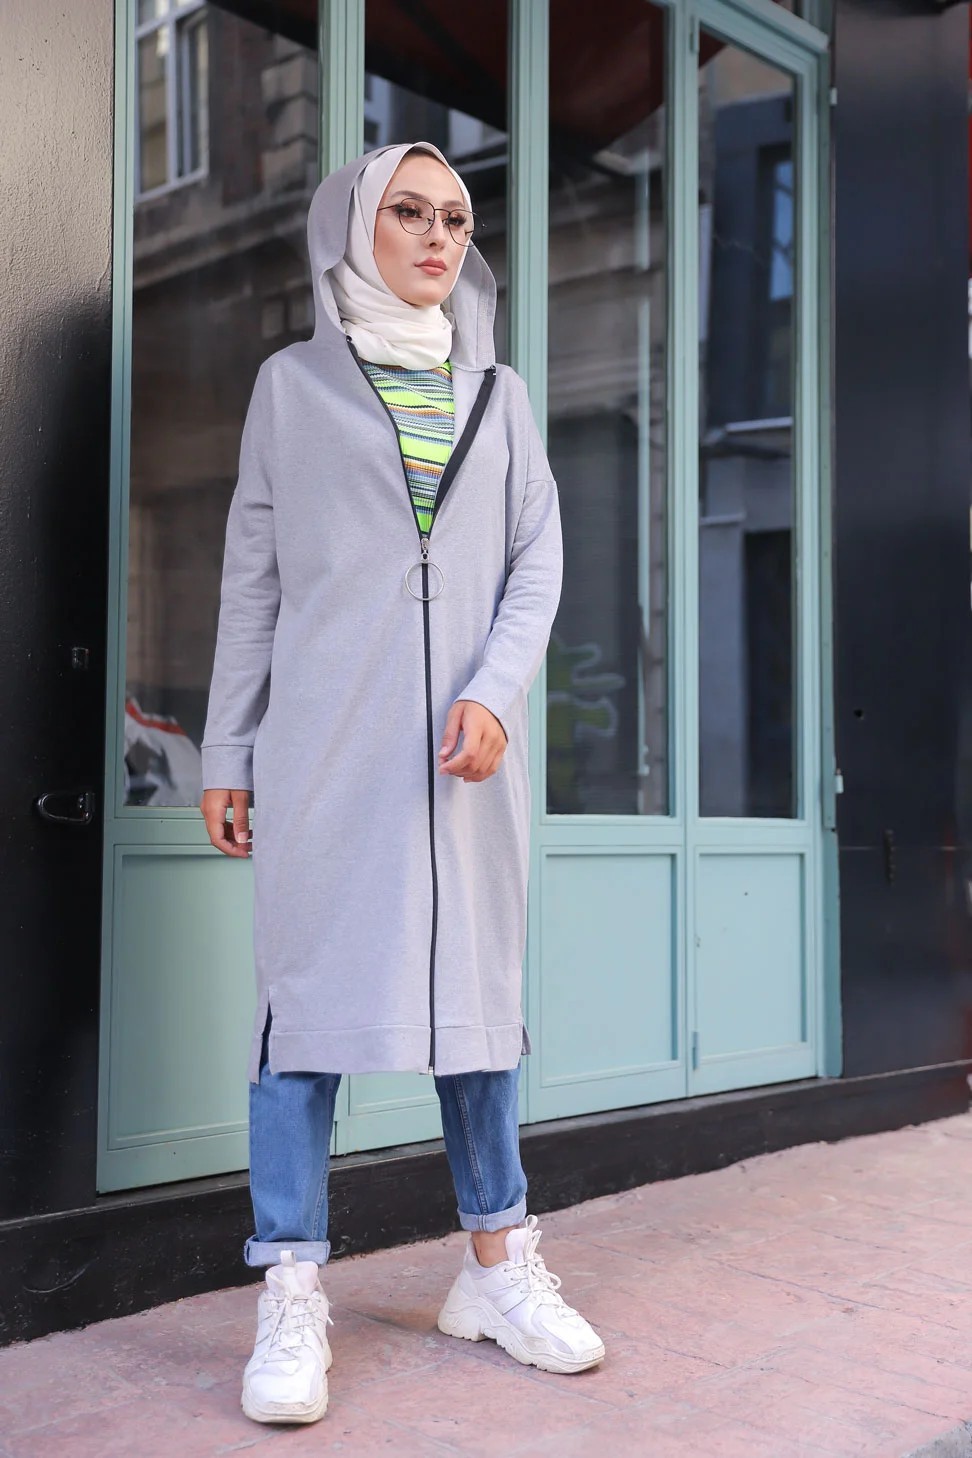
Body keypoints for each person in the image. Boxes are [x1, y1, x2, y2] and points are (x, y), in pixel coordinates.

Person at [199, 140, 605, 1427]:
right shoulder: (290, 388)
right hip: (324, 751)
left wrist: (495, 689)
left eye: (457, 220)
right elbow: (253, 580)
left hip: (465, 761)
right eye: (411, 214)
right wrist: (227, 748)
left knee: (475, 1008)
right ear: (356, 228)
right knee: (303, 1015)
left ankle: (495, 1266)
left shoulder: (502, 393)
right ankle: (291, 1287)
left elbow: (537, 559)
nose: (439, 238)